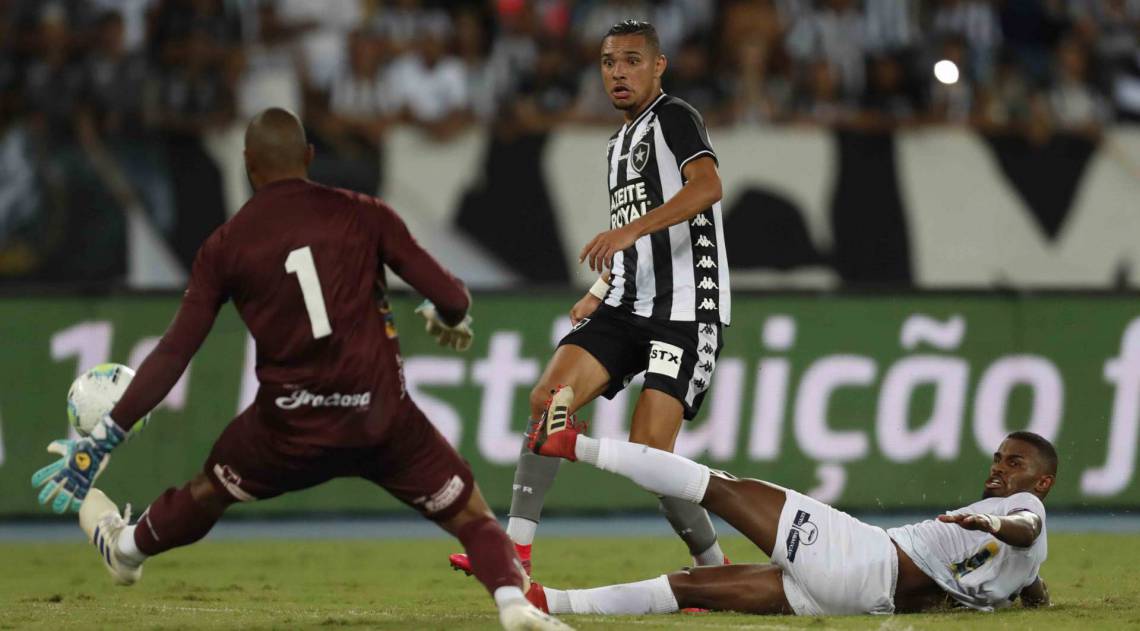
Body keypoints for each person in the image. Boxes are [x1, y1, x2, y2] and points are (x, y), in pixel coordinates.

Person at [30, 108, 568, 631]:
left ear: (247, 164)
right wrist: (444, 314)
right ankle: (511, 604)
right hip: (381, 417)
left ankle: (125, 550)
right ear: (310, 156)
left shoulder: (225, 244)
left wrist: (103, 439)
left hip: (286, 427)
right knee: (473, 518)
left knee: (207, 493)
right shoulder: (364, 212)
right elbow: (451, 295)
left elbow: (175, 351)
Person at [449, 19, 732, 577]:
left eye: (631, 60)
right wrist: (600, 288)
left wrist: (628, 233)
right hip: (627, 303)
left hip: (684, 311)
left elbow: (707, 188)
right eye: (609, 62)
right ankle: (515, 553)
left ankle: (715, 567)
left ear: (658, 66)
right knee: (545, 398)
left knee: (651, 457)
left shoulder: (675, 118)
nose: (619, 72)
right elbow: (629, 226)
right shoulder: (618, 143)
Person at [522, 386, 1054, 617]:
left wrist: (989, 519)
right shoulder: (1022, 565)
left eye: (1014, 464)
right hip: (861, 604)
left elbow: (1025, 526)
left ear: (1042, 483)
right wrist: (1038, 601)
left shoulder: (1021, 513)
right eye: (999, 458)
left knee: (718, 486)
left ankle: (569, 443)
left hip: (862, 557)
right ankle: (551, 604)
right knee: (692, 589)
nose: (999, 469)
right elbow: (1030, 574)